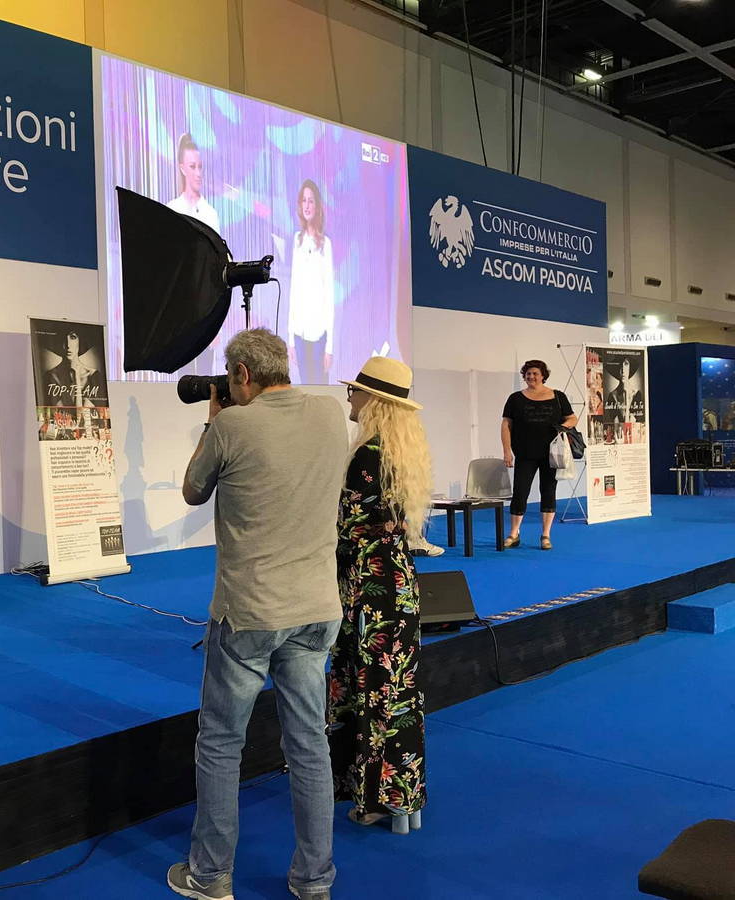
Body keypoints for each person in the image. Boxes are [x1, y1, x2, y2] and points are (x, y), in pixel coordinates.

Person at [169, 328, 348, 900]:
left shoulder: (231, 426)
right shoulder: (330, 415)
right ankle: (314, 879)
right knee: (309, 743)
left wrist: (213, 420)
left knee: (222, 743)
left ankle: (210, 874)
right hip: (316, 608)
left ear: (242, 375)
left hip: (250, 612)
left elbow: (192, 490)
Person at [328, 356, 431, 834]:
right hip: (398, 584)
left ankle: (376, 800)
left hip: (369, 589)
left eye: (355, 390)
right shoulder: (399, 452)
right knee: (398, 692)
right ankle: (404, 794)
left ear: (372, 400)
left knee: (371, 693)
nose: (350, 397)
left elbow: (346, 528)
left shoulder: (366, 455)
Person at [501, 360, 577, 551]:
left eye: (535, 373)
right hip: (524, 453)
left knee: (549, 491)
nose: (531, 377)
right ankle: (514, 534)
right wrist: (507, 450)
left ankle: (546, 535)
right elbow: (506, 425)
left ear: (543, 375)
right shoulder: (515, 399)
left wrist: (562, 427)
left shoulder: (558, 396)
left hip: (552, 454)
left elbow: (572, 418)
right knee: (520, 492)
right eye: (528, 373)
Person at [286, 180, 341, 386]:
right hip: (300, 333)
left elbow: (329, 296)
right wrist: (291, 339)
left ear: (317, 206)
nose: (307, 205)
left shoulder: (325, 244)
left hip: (319, 334)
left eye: (311, 201)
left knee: (320, 388)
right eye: (304, 201)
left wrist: (329, 347)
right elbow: (294, 290)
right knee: (304, 388)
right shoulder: (297, 240)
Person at [167, 132, 220, 233]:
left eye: (200, 167)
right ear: (182, 169)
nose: (198, 173)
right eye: (192, 166)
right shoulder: (172, 209)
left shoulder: (210, 214)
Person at [43, 330, 106, 408]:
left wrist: (77, 377)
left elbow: (81, 414)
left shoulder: (94, 376)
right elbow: (63, 413)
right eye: (63, 338)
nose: (68, 345)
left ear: (80, 341)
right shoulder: (50, 377)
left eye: (73, 337)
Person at [604, 357, 644, 424]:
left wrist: (627, 395)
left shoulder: (637, 394)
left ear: (629, 368)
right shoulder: (612, 396)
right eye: (620, 366)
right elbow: (616, 424)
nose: (623, 371)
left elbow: (631, 422)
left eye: (626, 364)